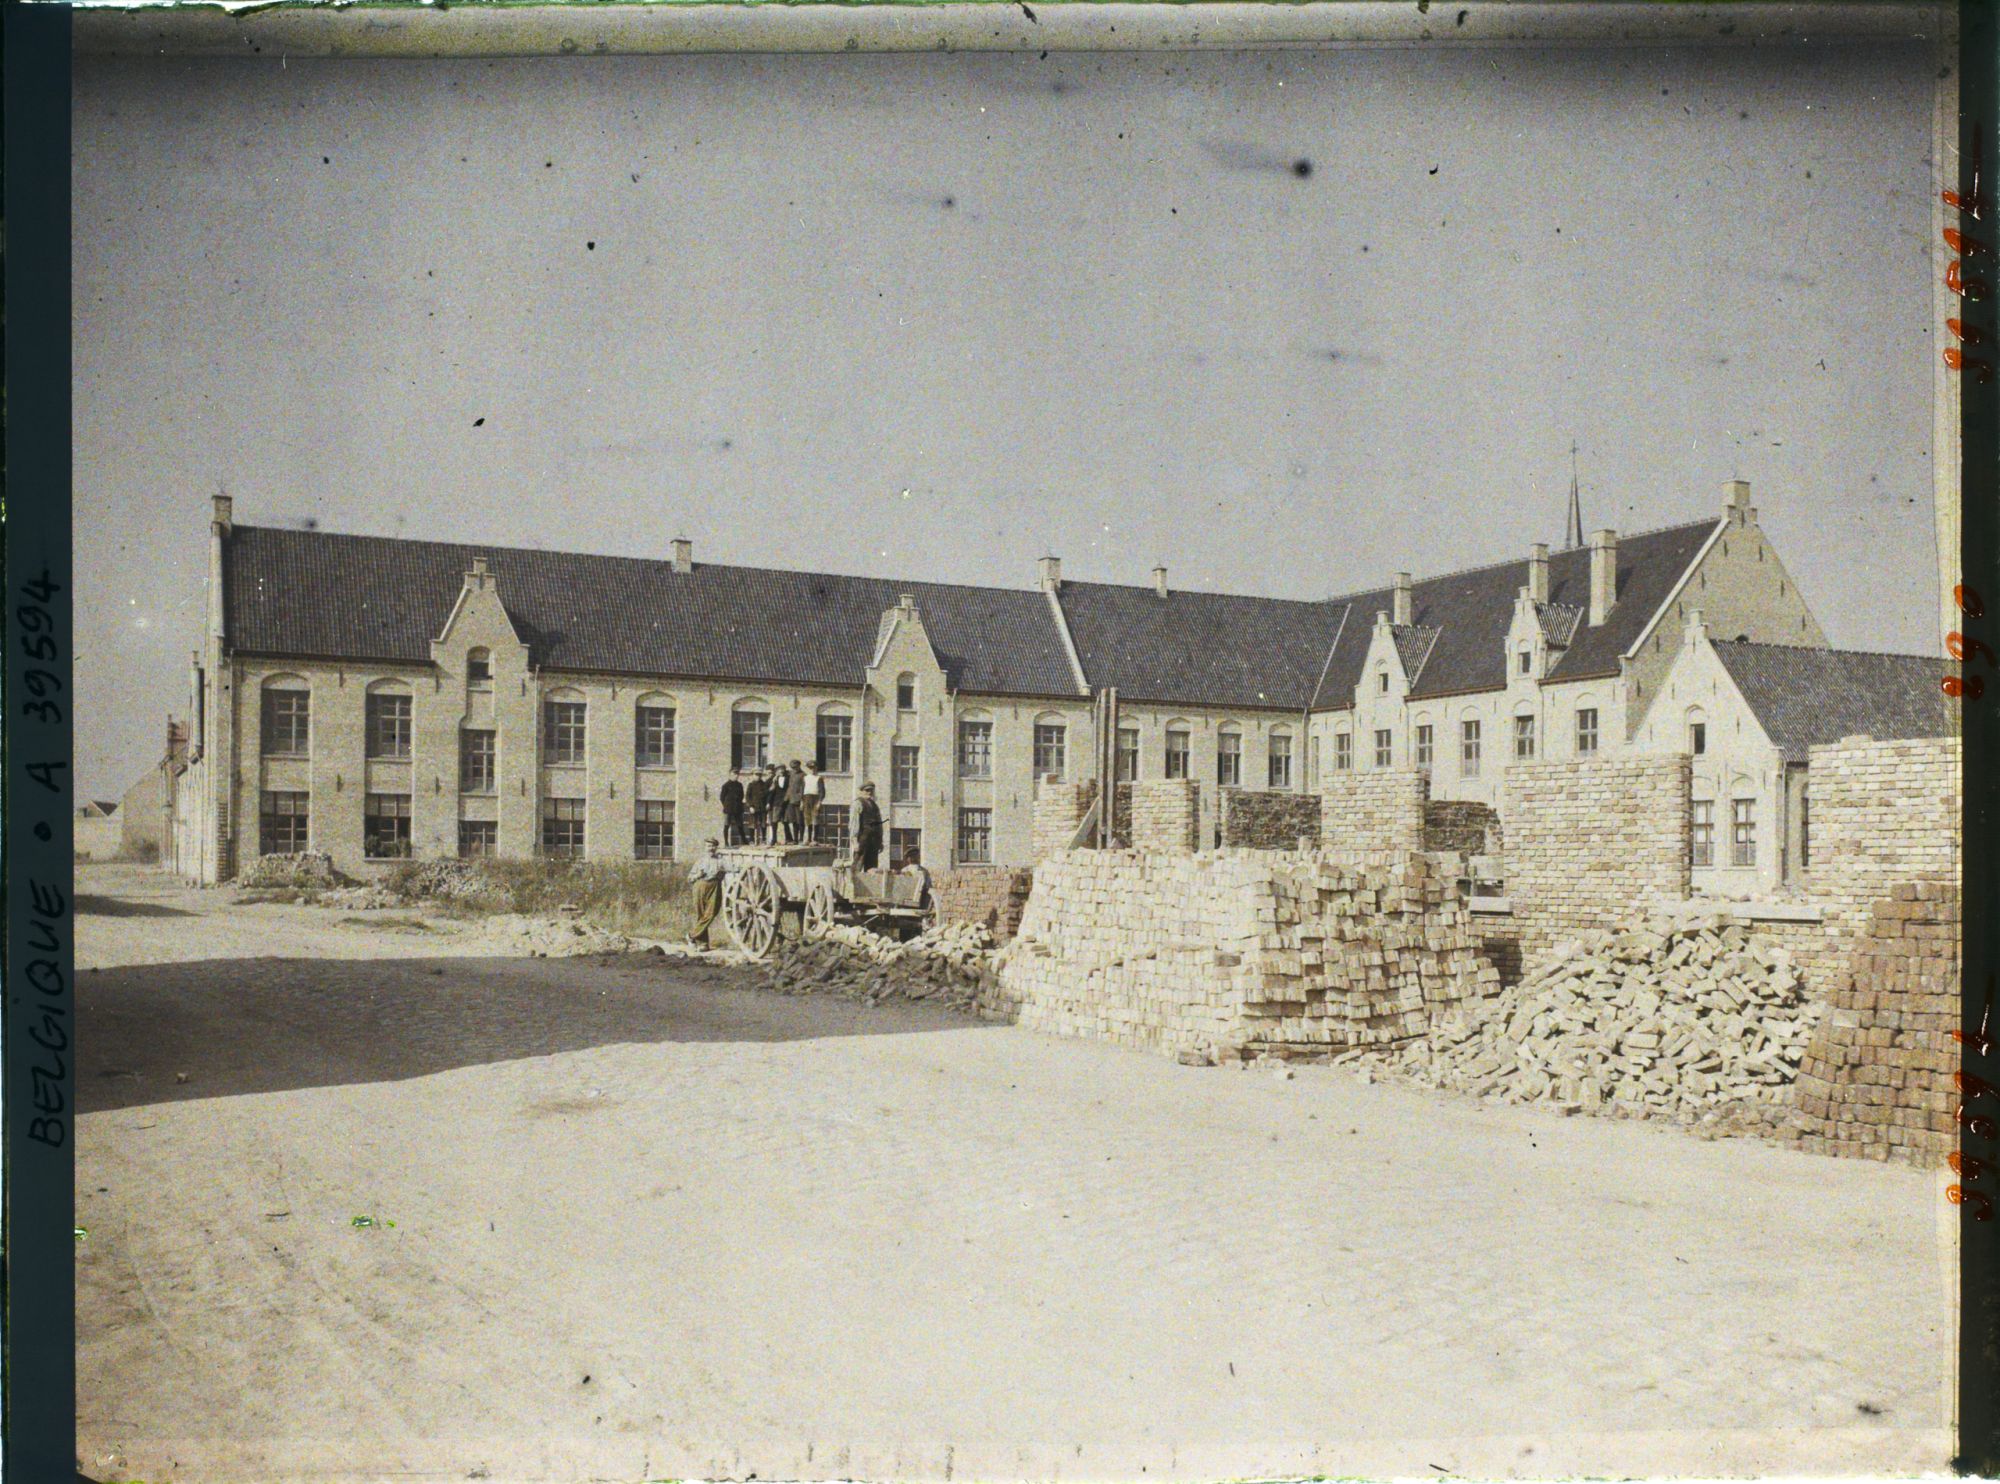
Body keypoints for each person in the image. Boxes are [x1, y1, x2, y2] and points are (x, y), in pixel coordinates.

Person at [688, 838, 726, 946]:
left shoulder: (720, 861)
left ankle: (691, 935)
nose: (711, 848)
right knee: (701, 914)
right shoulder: (700, 861)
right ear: (705, 848)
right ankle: (703, 944)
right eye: (709, 846)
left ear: (716, 847)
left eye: (713, 846)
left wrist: (721, 875)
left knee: (711, 913)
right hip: (700, 885)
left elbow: (729, 869)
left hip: (714, 886)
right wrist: (698, 875)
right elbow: (690, 878)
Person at [855, 781, 884, 870]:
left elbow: (879, 825)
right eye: (867, 790)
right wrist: (855, 841)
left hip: (874, 841)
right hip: (863, 840)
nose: (869, 792)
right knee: (857, 866)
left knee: (872, 868)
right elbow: (854, 823)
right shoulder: (858, 803)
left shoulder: (875, 805)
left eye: (871, 790)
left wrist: (880, 842)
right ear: (862, 791)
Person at [801, 760, 824, 842]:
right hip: (806, 798)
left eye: (814, 768)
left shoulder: (819, 778)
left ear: (816, 768)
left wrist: (819, 802)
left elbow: (822, 791)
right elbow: (802, 790)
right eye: (810, 768)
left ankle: (815, 839)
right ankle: (809, 838)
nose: (812, 770)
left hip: (815, 798)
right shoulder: (805, 778)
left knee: (815, 818)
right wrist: (802, 802)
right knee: (808, 819)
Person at [719, 774, 745, 846]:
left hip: (737, 808)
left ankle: (744, 841)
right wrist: (727, 805)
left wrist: (739, 804)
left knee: (740, 825)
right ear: (730, 775)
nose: (736, 776)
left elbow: (742, 796)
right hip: (728, 809)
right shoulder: (726, 785)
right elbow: (722, 797)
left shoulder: (739, 785)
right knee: (726, 825)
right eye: (734, 775)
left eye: (737, 775)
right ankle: (726, 842)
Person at [783, 760, 806, 843]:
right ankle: (795, 839)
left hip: (798, 800)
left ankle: (801, 838)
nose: (794, 769)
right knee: (793, 821)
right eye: (793, 767)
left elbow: (803, 789)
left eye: (796, 767)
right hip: (790, 800)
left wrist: (802, 800)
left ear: (799, 766)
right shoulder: (790, 774)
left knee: (800, 821)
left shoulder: (803, 775)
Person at [744, 768, 767, 846]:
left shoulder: (764, 785)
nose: (758, 776)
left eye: (759, 775)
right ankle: (751, 840)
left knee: (763, 824)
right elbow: (747, 797)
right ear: (753, 775)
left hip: (762, 807)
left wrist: (767, 804)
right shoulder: (751, 785)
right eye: (756, 775)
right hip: (753, 808)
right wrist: (750, 806)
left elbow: (766, 795)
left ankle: (763, 840)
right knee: (752, 824)